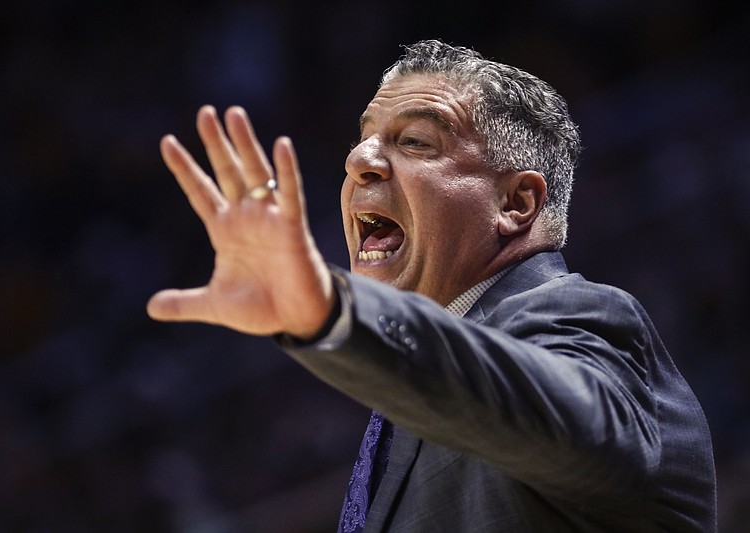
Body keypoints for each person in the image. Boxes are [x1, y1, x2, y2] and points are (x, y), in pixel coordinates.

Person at [147, 40, 717, 531]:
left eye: (416, 141)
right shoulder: (412, 398)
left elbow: (580, 427)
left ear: (516, 203)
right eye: (364, 139)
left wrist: (332, 315)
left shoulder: (580, 316)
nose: (360, 159)